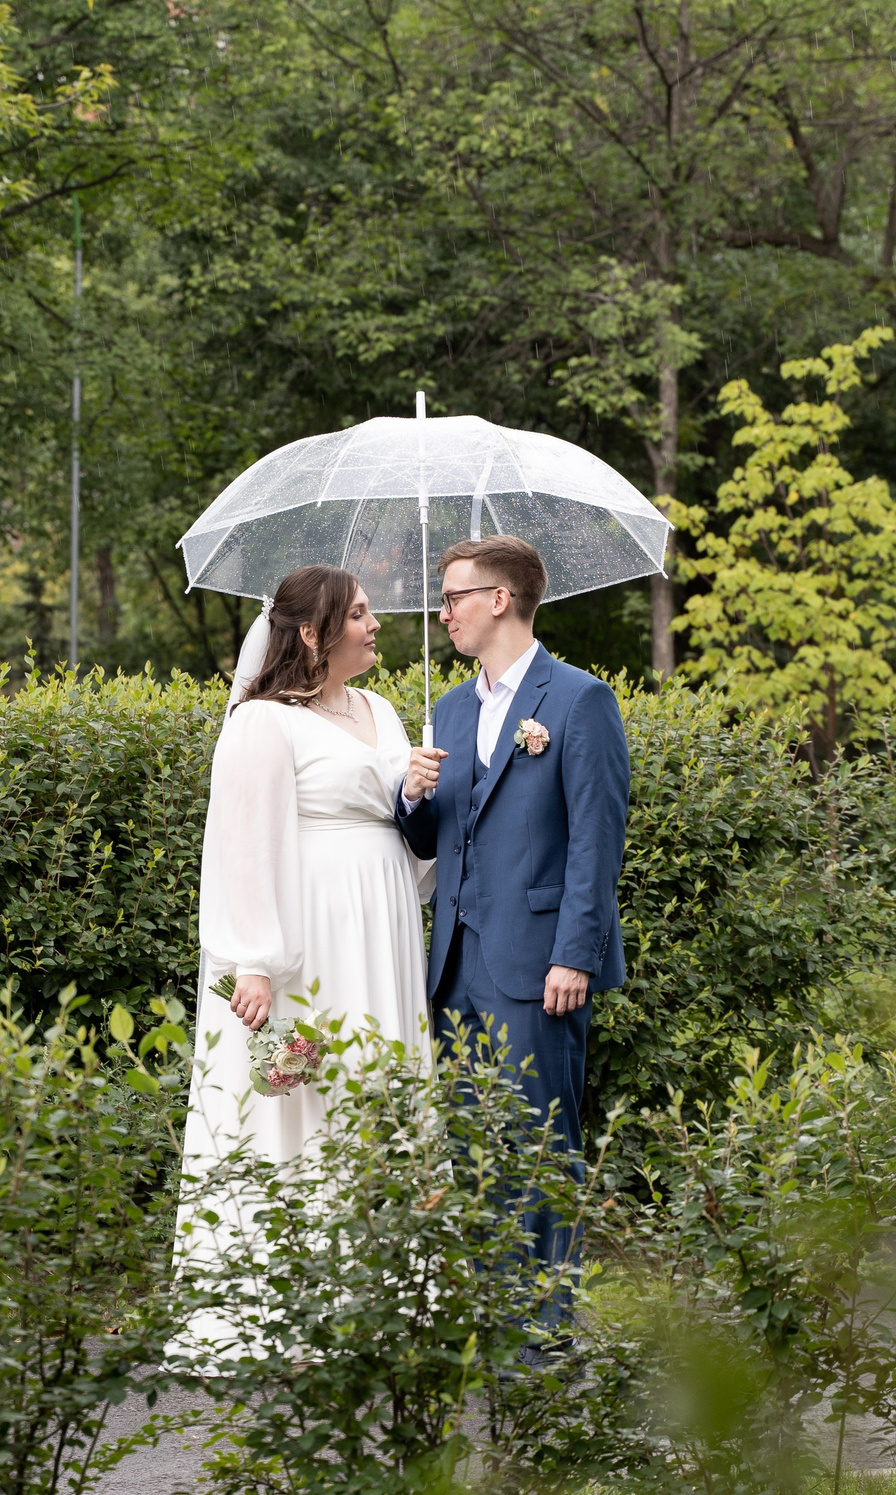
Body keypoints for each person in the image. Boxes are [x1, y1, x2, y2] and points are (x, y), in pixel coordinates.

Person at [173, 563, 433, 1358]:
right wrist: (254, 959)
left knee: (381, 1080)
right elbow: (244, 840)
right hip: (312, 932)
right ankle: (292, 1298)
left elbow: (406, 830)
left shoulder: (383, 710)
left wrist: (416, 791)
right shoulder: (263, 721)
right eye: (359, 614)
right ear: (314, 632)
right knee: (310, 1095)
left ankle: (390, 1288)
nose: (375, 625)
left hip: (384, 923)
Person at [396, 534, 631, 1303]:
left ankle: (544, 1331)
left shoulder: (579, 700)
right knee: (471, 1148)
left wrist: (576, 954)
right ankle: (492, 1317)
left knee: (539, 1148)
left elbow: (596, 840)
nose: (443, 613)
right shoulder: (448, 709)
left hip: (538, 965)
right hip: (455, 967)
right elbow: (431, 840)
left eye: (454, 597)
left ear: (500, 599)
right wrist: (412, 794)